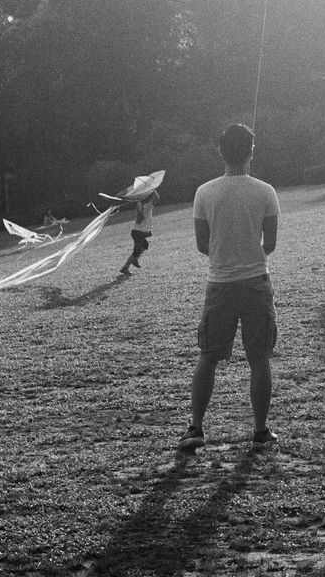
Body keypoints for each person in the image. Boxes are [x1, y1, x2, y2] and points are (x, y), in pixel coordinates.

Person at [179, 123, 280, 453]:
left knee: (208, 357)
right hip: (256, 284)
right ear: (251, 152)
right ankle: (261, 431)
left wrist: (226, 257)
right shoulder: (266, 191)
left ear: (221, 152)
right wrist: (250, 256)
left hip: (219, 285)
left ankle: (195, 429)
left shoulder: (204, 192)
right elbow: (271, 243)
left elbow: (201, 244)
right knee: (259, 358)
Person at [120, 190, 159, 275]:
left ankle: (135, 259)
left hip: (138, 231)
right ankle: (125, 267)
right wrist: (152, 188)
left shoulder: (140, 204)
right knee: (137, 251)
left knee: (145, 245)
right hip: (139, 232)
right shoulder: (147, 206)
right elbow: (157, 198)